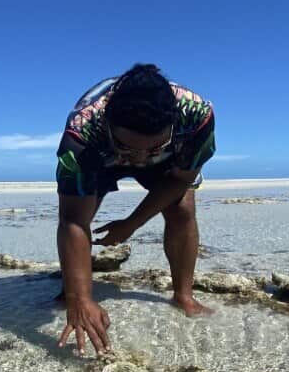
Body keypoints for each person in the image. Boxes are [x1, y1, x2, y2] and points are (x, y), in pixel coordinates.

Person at [55, 63, 217, 354]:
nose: (140, 160)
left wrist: (131, 223)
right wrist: (78, 298)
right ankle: (76, 289)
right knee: (83, 215)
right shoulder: (81, 132)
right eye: (130, 150)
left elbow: (181, 179)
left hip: (169, 160)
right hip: (102, 155)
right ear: (108, 126)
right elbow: (72, 221)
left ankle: (184, 295)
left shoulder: (197, 117)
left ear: (172, 126)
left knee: (182, 209)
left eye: (151, 149)